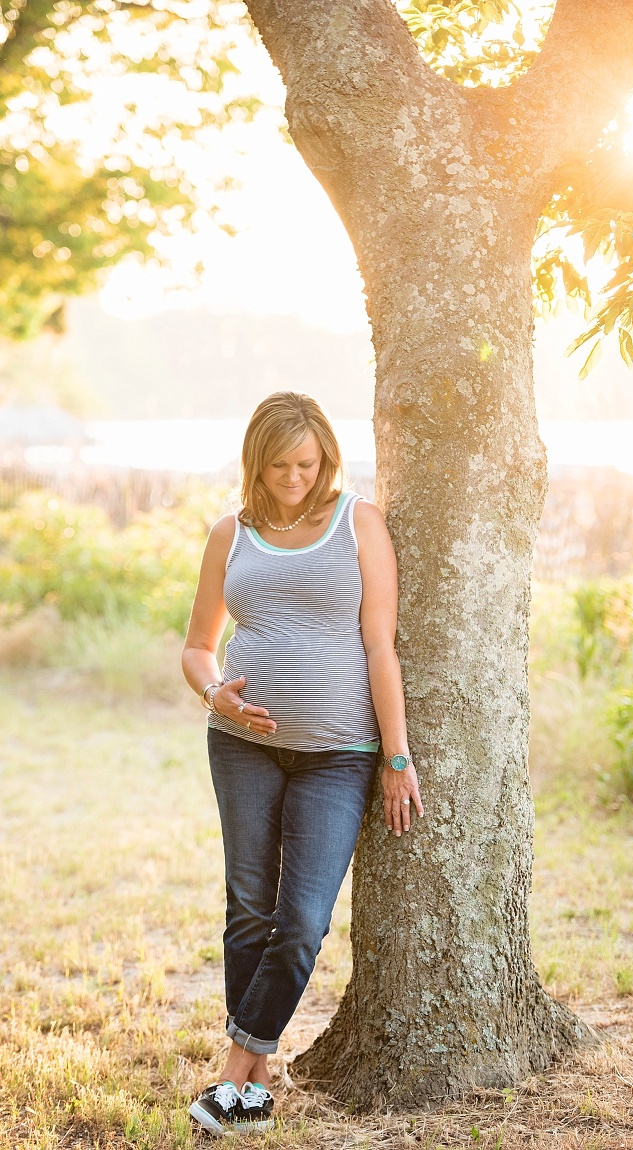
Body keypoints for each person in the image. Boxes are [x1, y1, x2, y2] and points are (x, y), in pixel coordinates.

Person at [181, 391, 423, 1135]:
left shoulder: (359, 522)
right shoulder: (231, 534)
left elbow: (379, 645)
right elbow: (197, 648)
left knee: (302, 921)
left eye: (308, 464)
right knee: (249, 908)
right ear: (257, 463)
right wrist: (218, 696)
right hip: (242, 747)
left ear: (327, 461)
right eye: (280, 465)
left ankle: (233, 1073)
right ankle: (253, 1091)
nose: (295, 477)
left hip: (338, 756)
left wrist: (397, 754)